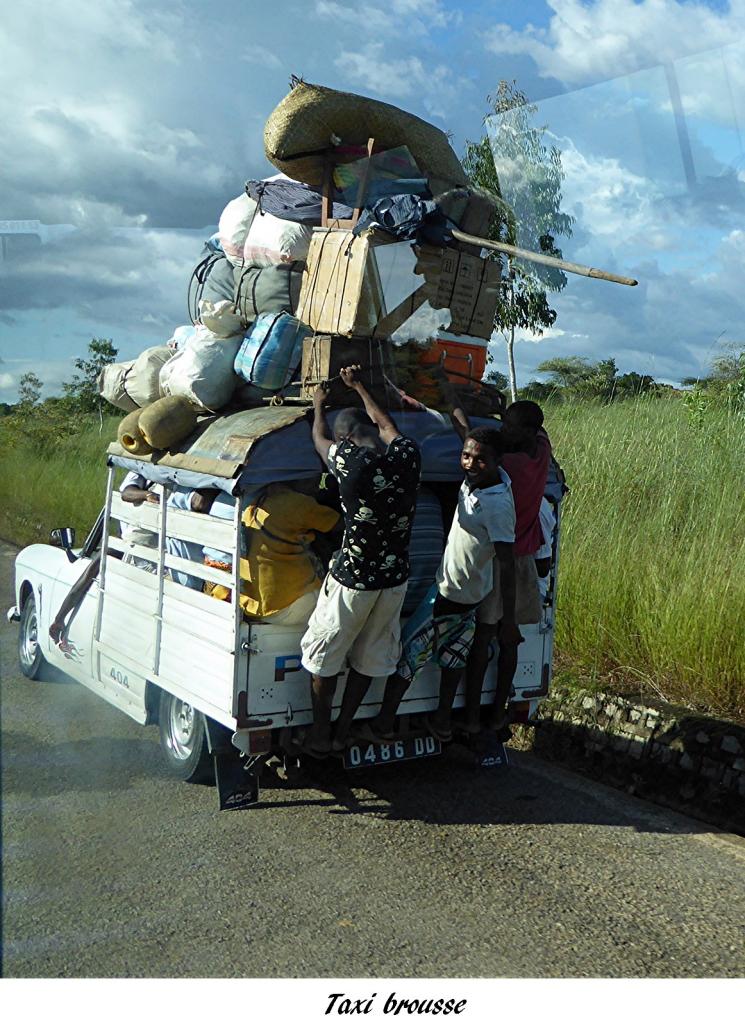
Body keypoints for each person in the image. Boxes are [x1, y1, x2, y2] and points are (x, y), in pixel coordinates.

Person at [364, 424, 517, 743]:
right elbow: (466, 429)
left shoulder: (497, 505)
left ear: (499, 460)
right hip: (469, 597)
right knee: (453, 659)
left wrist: (508, 620)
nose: (470, 464)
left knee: (408, 656)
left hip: (449, 595)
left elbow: (507, 563)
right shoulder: (481, 481)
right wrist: (448, 393)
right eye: (465, 456)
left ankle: (384, 724)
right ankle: (443, 721)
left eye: (480, 459)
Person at [299, 365, 421, 755]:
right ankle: (345, 730)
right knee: (370, 659)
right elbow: (387, 426)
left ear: (344, 439)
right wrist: (360, 387)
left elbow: (318, 438)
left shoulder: (348, 463)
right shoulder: (407, 455)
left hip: (353, 580)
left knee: (325, 656)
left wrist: (319, 405)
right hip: (394, 579)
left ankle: (321, 733)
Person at [458, 399, 552, 736]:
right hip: (525, 559)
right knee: (510, 641)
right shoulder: (541, 450)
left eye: (509, 426)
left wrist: (458, 408)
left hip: (502, 562)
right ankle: (497, 712)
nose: (504, 430)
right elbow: (538, 430)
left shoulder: (507, 464)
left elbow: (471, 445)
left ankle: (471, 717)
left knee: (485, 638)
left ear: (525, 431)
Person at [206, 479, 341, 625]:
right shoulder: (296, 502)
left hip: (252, 607)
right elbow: (339, 525)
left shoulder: (254, 500)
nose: (315, 484)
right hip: (291, 606)